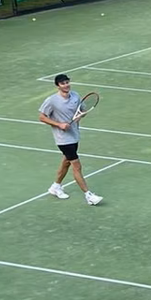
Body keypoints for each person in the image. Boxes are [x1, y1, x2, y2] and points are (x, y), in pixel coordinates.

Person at [38, 75, 103, 206]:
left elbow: (82, 111)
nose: (66, 85)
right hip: (62, 139)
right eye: (63, 83)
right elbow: (42, 117)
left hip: (74, 135)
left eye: (67, 82)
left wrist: (80, 116)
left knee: (66, 162)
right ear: (57, 86)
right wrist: (59, 124)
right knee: (76, 166)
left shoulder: (75, 96)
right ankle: (88, 195)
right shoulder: (52, 101)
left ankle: (55, 187)